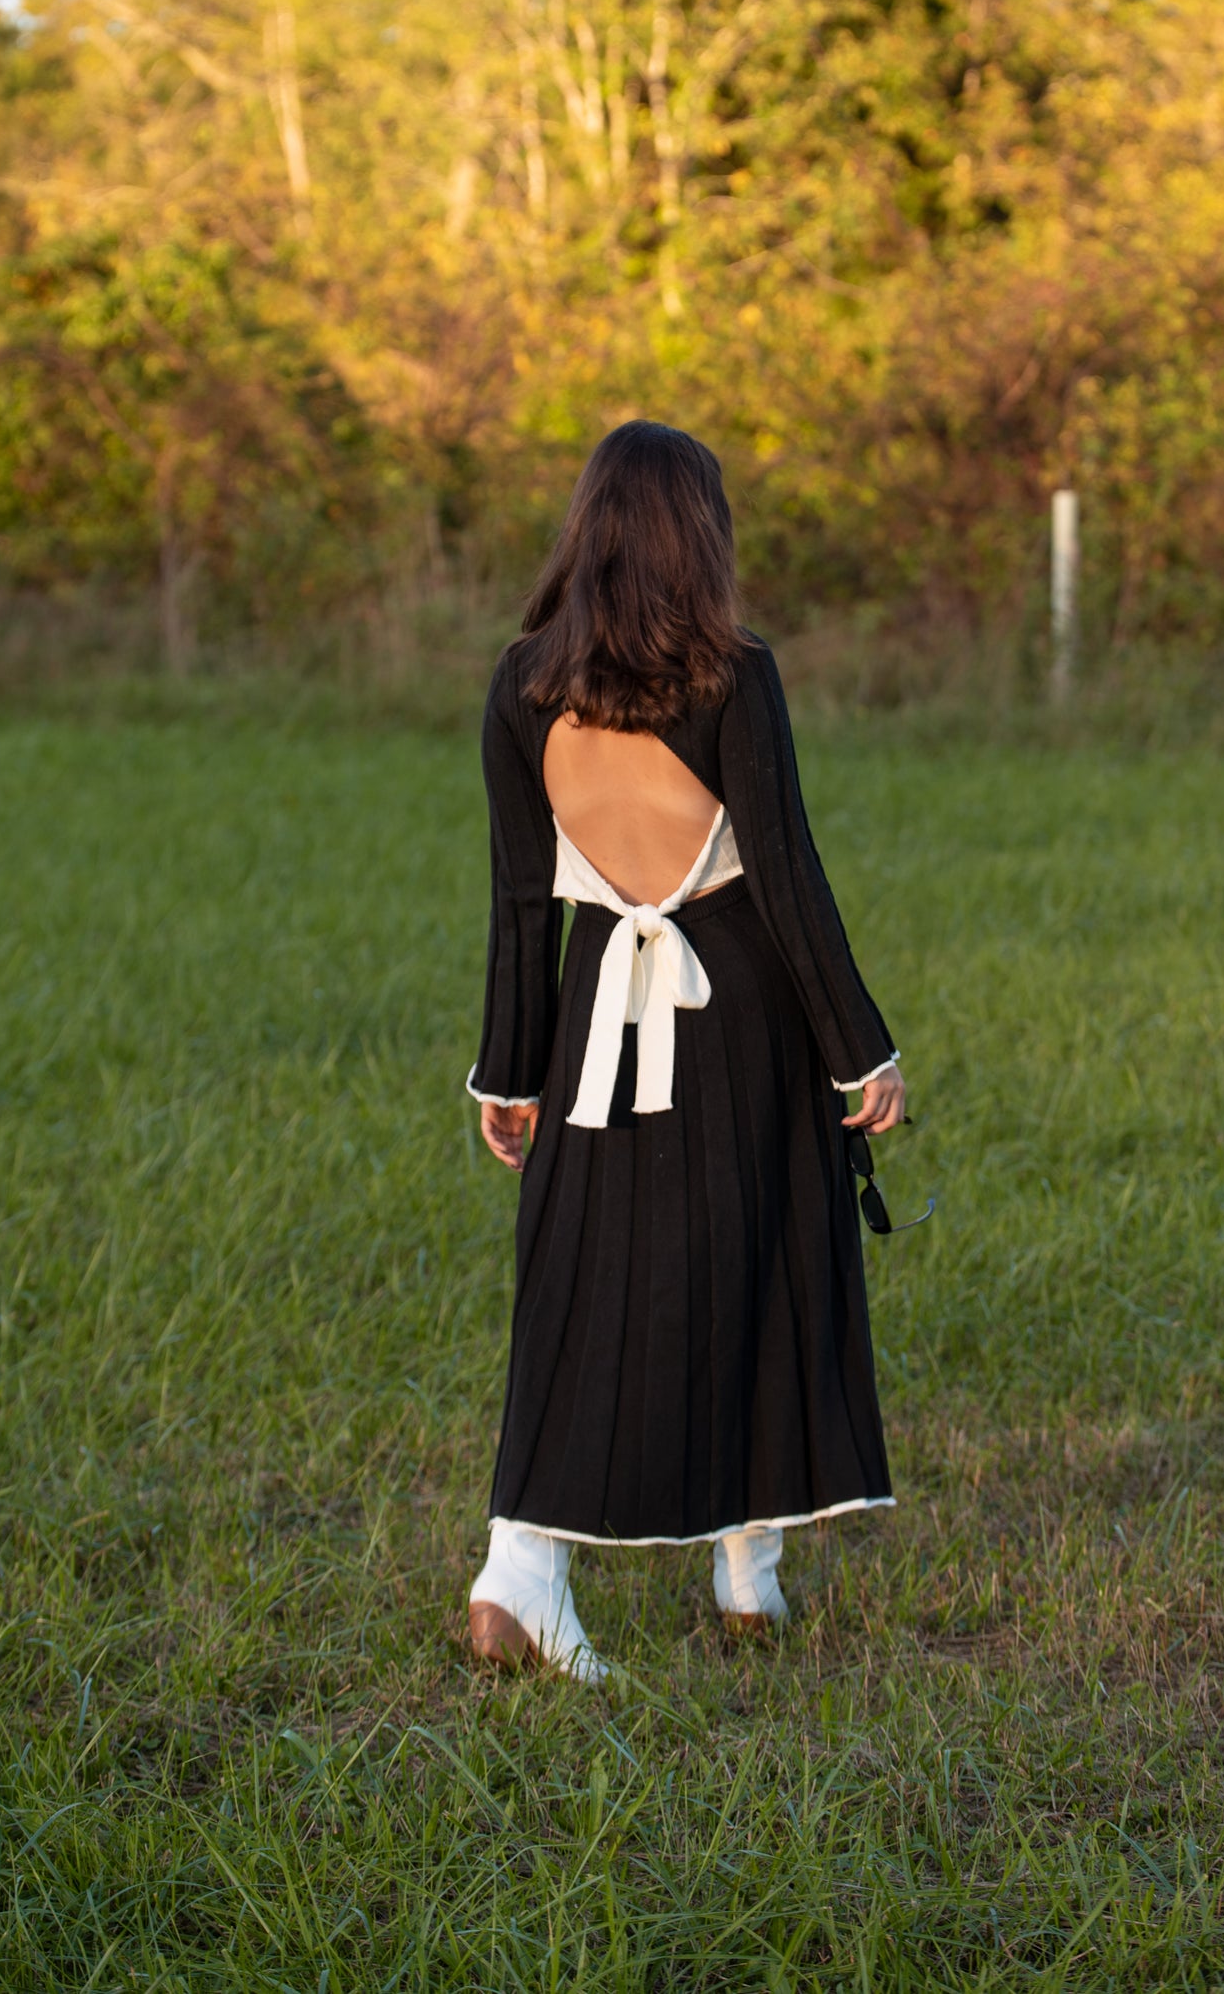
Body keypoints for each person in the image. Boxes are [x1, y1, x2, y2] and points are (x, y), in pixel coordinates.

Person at [464, 420, 906, 1681]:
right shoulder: (732, 673)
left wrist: (511, 1074)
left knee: (579, 1281)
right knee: (759, 1269)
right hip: (741, 1014)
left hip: (599, 1007)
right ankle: (741, 1581)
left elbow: (517, 902)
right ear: (693, 532)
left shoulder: (518, 684)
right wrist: (858, 1050)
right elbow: (788, 880)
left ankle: (551, 1567)